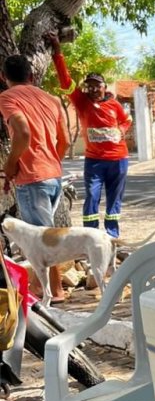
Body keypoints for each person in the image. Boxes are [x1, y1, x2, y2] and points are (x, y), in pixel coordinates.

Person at [45, 33, 131, 238]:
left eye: (97, 85)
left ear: (104, 87)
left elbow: (127, 120)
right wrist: (58, 51)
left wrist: (122, 130)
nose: (93, 89)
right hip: (94, 162)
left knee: (114, 199)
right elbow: (65, 80)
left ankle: (112, 235)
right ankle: (91, 235)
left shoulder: (114, 105)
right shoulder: (81, 101)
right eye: (89, 86)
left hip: (119, 160)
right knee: (92, 195)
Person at [0, 54, 69, 303]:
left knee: (42, 238)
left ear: (3, 77)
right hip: (53, 174)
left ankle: (55, 291)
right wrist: (50, 162)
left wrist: (11, 164)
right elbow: (65, 141)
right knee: (48, 233)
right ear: (31, 75)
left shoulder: (7, 97)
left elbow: (23, 132)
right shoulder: (52, 99)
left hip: (32, 179)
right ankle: (45, 287)